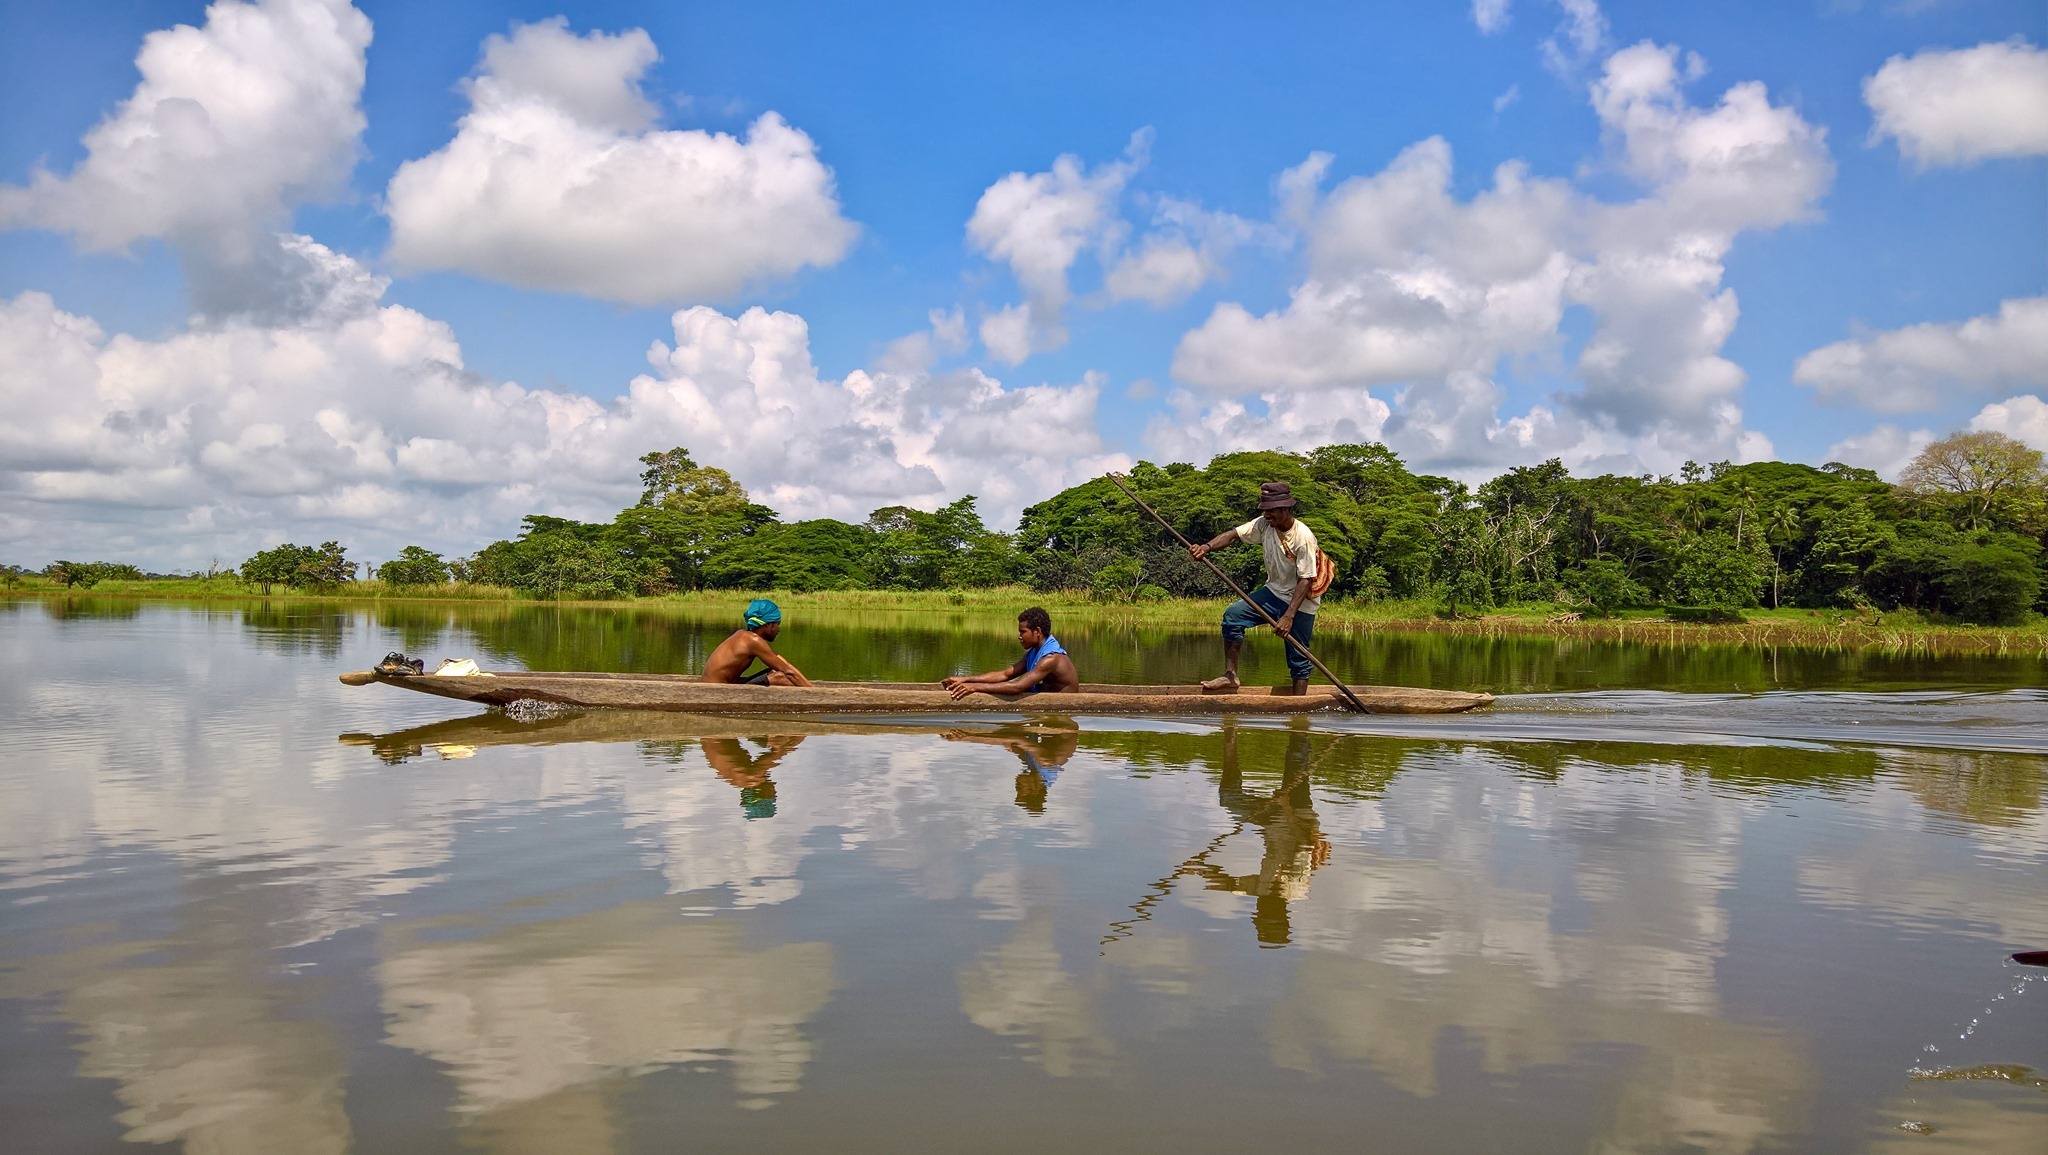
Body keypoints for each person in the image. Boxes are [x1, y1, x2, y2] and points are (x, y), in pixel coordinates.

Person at [1187, 481, 1328, 694]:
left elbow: (1306, 578)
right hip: (1273, 592)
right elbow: (1233, 534)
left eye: (1272, 510)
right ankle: (1230, 676)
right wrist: (1207, 547)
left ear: (1286, 509)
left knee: (1299, 656)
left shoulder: (1304, 537)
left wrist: (1289, 616)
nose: (1267, 514)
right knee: (1233, 616)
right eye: (1265, 510)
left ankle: (1299, 708)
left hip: (1301, 602)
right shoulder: (1263, 524)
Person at [942, 607, 1079, 698]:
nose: (1019, 636)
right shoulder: (1035, 652)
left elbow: (1017, 687)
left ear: (1037, 631)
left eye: (1023, 632)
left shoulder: (1050, 658)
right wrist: (965, 679)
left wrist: (973, 688)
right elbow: (1005, 674)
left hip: (1062, 707)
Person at [701, 599, 813, 686]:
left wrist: (811, 687)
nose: (778, 629)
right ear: (768, 625)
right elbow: (788, 672)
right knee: (781, 677)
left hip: (725, 685)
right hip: (717, 689)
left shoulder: (745, 635)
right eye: (777, 625)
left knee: (778, 672)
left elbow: (784, 664)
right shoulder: (753, 641)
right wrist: (813, 693)